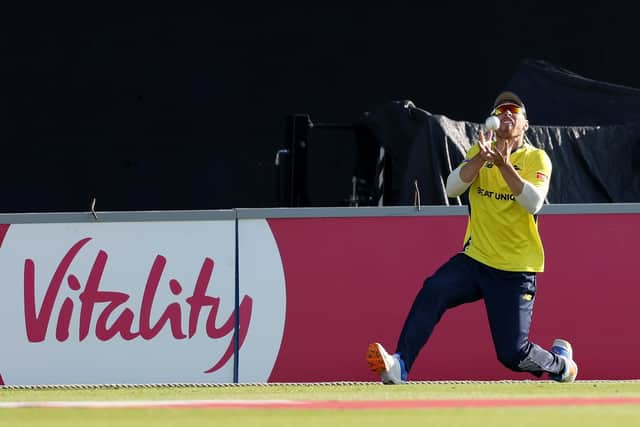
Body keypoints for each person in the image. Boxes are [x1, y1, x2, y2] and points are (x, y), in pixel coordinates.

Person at [366, 91, 578, 384]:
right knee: (434, 289)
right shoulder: (478, 154)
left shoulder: (536, 158)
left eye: (513, 110)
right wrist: (479, 160)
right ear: (492, 120)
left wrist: (504, 165)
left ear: (525, 124)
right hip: (475, 260)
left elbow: (533, 203)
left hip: (515, 270)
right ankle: (399, 366)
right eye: (501, 109)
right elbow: (452, 188)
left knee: (512, 354)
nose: (506, 113)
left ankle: (561, 365)